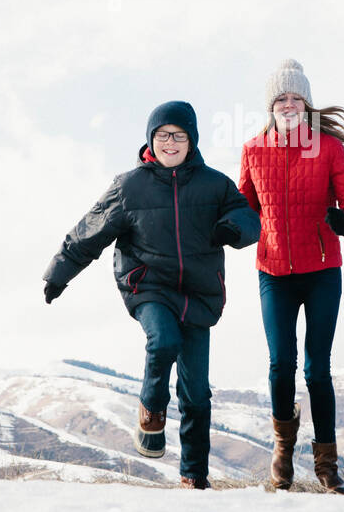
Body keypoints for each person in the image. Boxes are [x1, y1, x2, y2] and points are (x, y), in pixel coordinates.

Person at [42, 101, 260, 489]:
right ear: (150, 140)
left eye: (179, 135)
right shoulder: (130, 186)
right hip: (148, 285)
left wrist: (232, 228)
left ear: (191, 140)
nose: (170, 142)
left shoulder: (215, 185)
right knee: (163, 341)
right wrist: (59, 273)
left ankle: (193, 476)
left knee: (196, 393)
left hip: (199, 293)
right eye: (162, 135)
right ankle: (152, 411)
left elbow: (247, 218)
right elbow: (88, 230)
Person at [238, 60, 344, 495]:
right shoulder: (253, 149)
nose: (289, 104)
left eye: (296, 98)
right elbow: (244, 209)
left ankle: (327, 467)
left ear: (307, 105)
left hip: (322, 272)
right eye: (281, 98)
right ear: (271, 107)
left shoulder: (328, 149)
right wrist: (227, 226)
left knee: (317, 370)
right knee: (280, 365)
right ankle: (282, 452)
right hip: (273, 271)